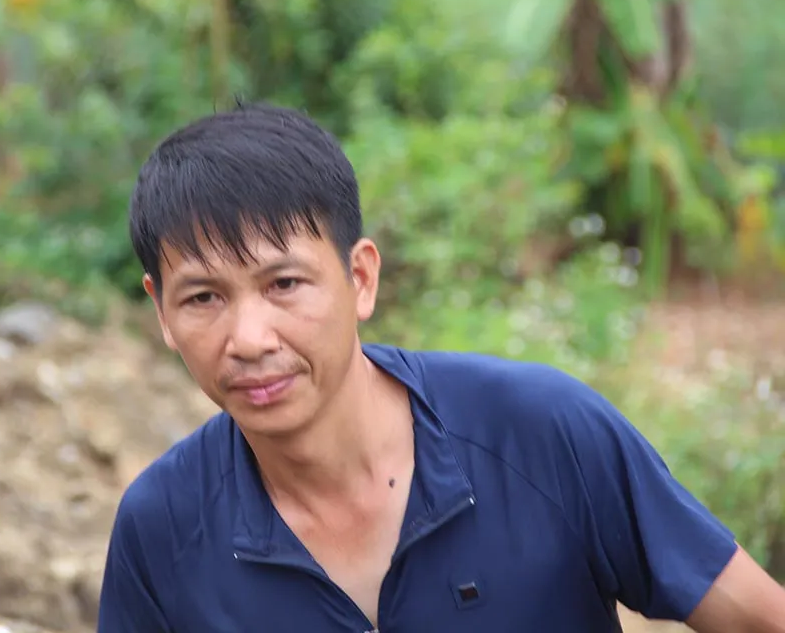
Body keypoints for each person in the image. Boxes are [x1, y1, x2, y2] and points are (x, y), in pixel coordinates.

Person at [97, 102, 785, 633]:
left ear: (360, 278)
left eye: (284, 284)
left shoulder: (540, 434)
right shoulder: (162, 529)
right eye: (204, 297)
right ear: (162, 312)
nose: (249, 340)